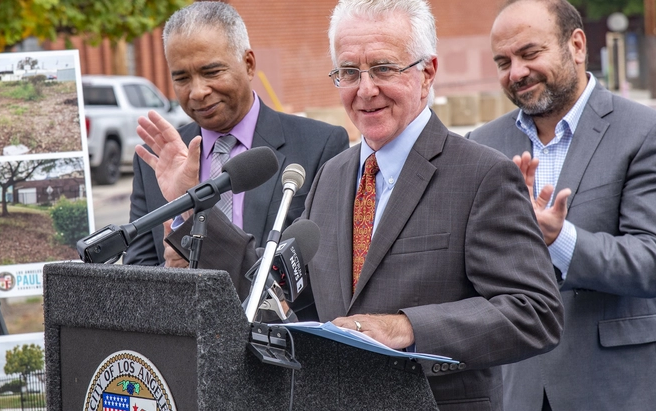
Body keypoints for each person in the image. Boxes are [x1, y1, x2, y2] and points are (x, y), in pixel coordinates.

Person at [143, 0, 564, 408]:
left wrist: (406, 327)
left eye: (383, 68)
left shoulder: (481, 174)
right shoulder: (333, 174)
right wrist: (190, 207)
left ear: (427, 72)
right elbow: (277, 290)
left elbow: (535, 312)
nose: (365, 90)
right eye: (348, 72)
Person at [468, 1, 656, 410]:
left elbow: (653, 263)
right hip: (520, 388)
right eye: (503, 61)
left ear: (577, 45)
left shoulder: (650, 133)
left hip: (623, 387)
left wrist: (557, 238)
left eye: (530, 53)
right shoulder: (482, 146)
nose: (516, 72)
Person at [124, 1, 349, 273]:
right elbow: (137, 273)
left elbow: (323, 268)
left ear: (249, 64)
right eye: (182, 78)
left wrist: (201, 239)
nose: (197, 92)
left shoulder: (319, 147)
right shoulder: (157, 160)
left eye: (211, 72)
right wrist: (171, 271)